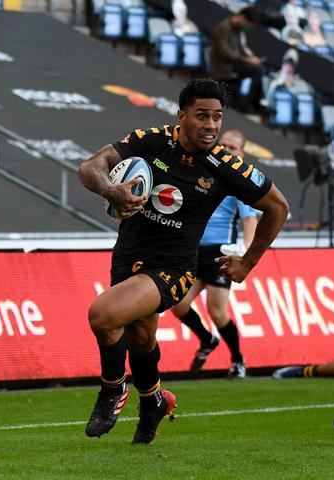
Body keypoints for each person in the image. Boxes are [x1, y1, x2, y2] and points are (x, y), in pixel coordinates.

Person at [78, 79, 288, 445]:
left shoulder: (226, 165)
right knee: (141, 340)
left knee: (103, 315)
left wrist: (248, 262)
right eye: (202, 115)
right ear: (182, 115)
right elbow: (90, 167)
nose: (210, 125)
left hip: (173, 269)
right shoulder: (152, 140)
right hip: (128, 255)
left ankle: (112, 390)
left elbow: (277, 207)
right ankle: (154, 402)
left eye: (217, 117)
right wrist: (111, 190)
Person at [170, 129, 258, 379]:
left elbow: (249, 219)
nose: (228, 151)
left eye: (233, 148)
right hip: (194, 251)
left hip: (220, 255)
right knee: (178, 304)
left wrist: (246, 251)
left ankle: (238, 360)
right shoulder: (207, 172)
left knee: (217, 312)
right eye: (225, 146)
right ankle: (207, 339)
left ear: (241, 153)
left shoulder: (240, 181)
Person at [210, 7, 264, 113]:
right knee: (258, 70)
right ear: (241, 18)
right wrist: (246, 60)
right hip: (224, 66)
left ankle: (254, 104)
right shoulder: (223, 28)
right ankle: (254, 105)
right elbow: (224, 52)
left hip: (235, 64)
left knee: (259, 68)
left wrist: (250, 58)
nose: (247, 27)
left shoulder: (238, 31)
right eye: (247, 24)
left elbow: (240, 50)